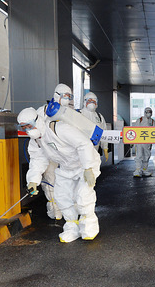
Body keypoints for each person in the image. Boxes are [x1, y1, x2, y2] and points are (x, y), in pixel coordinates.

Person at [19, 101, 101, 243]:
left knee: (83, 196)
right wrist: (33, 180)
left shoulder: (58, 128)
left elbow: (84, 144)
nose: (27, 129)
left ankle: (89, 228)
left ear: (38, 120)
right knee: (62, 198)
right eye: (24, 127)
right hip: (66, 167)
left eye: (29, 125)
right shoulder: (36, 141)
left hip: (84, 164)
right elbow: (37, 160)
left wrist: (88, 168)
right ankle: (71, 228)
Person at [80, 91, 109, 161]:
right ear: (84, 102)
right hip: (80, 151)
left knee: (94, 168)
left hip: (95, 149)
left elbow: (104, 132)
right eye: (89, 100)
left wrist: (105, 147)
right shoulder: (79, 114)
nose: (92, 102)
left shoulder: (99, 116)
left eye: (94, 101)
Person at [133, 107, 155, 177]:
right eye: (147, 112)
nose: (148, 113)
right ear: (145, 112)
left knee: (146, 156)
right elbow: (135, 130)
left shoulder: (152, 121)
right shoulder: (139, 120)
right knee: (139, 155)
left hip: (148, 142)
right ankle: (137, 170)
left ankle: (144, 169)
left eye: (150, 112)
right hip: (139, 142)